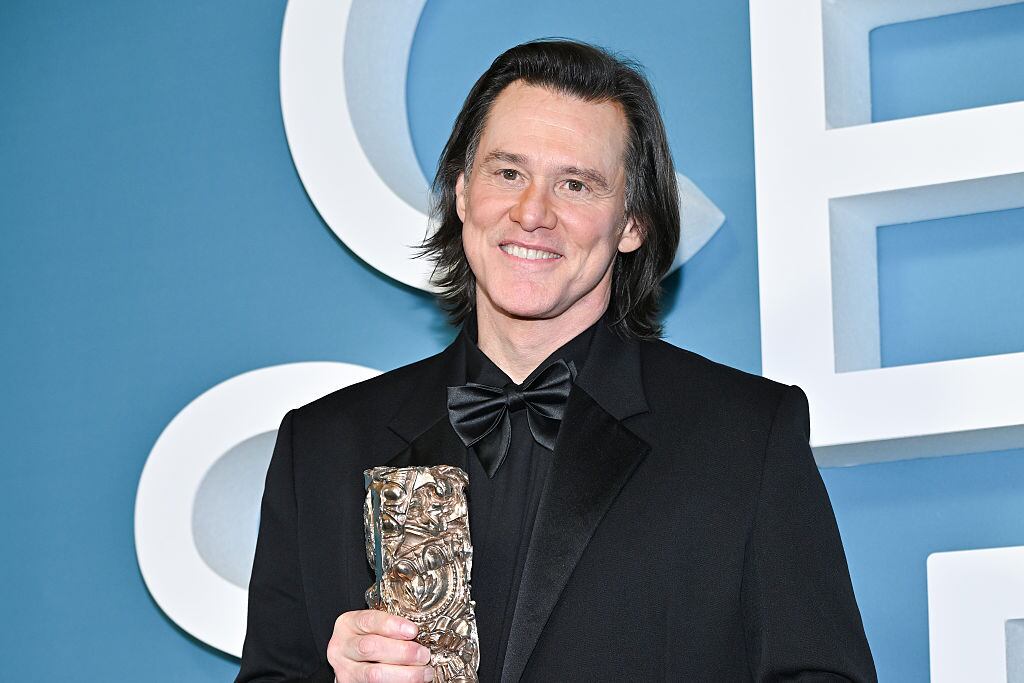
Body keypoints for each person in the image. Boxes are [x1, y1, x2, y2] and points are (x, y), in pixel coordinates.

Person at [236, 39, 876, 683]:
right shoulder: (321, 446)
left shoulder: (744, 435)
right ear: (462, 195)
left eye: (576, 184)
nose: (532, 213)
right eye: (507, 173)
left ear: (631, 223)